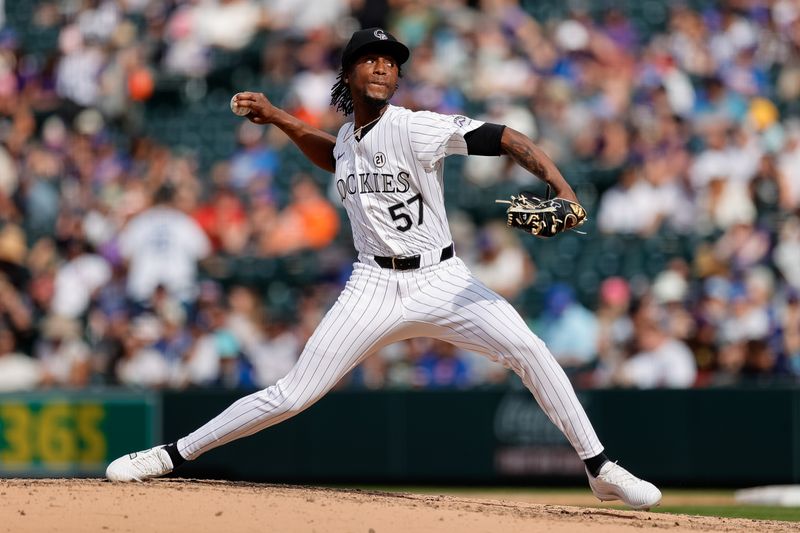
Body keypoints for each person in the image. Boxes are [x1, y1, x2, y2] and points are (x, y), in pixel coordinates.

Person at [106, 28, 661, 510]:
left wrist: (561, 189)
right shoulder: (350, 136)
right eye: (371, 59)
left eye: (392, 61)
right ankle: (169, 455)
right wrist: (278, 117)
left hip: (443, 280)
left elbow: (508, 137)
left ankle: (600, 468)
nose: (383, 66)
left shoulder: (412, 127)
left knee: (530, 350)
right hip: (372, 283)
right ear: (347, 74)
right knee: (293, 395)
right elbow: (333, 152)